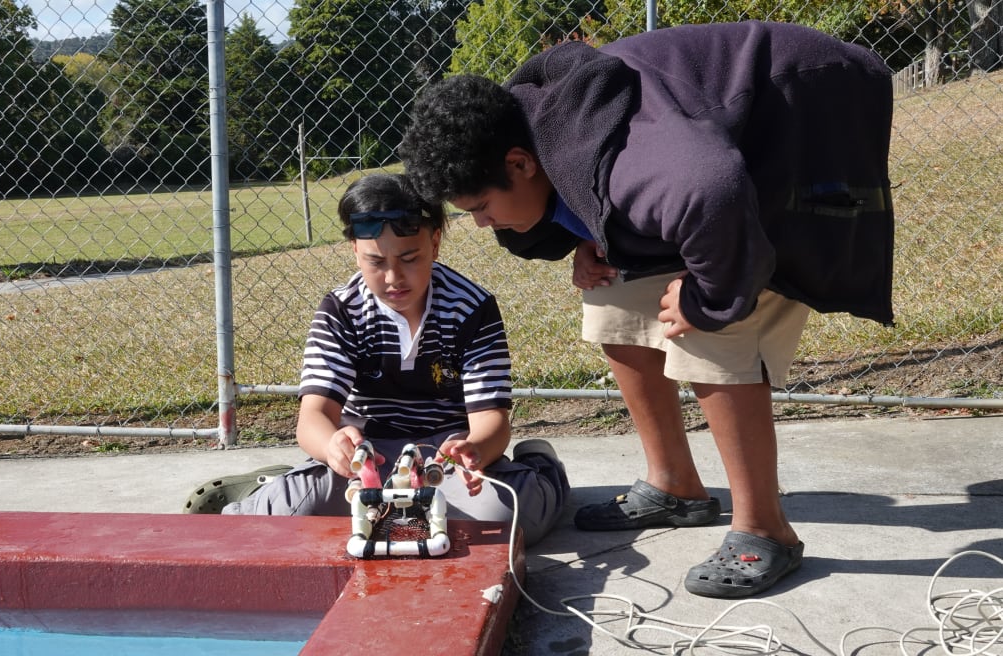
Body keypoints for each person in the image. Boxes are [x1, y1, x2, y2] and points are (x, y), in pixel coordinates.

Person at [398, 20, 894, 596]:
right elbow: (601, 189)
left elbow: (713, 191)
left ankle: (765, 528)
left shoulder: (643, 161)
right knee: (614, 299)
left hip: (799, 109)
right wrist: (586, 233)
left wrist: (706, 300)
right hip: (706, 149)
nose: (482, 224)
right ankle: (676, 485)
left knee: (715, 335)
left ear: (519, 164)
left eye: (481, 207)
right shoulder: (537, 135)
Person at [183, 173, 569, 548]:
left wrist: (475, 450)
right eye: (375, 262)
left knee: (510, 518)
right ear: (354, 249)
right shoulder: (341, 310)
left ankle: (540, 464)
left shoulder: (472, 308)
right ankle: (270, 488)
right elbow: (313, 418)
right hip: (367, 458)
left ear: (435, 242)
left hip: (441, 462)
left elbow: (492, 422)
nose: (393, 277)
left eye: (410, 258)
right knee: (289, 516)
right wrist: (332, 444)